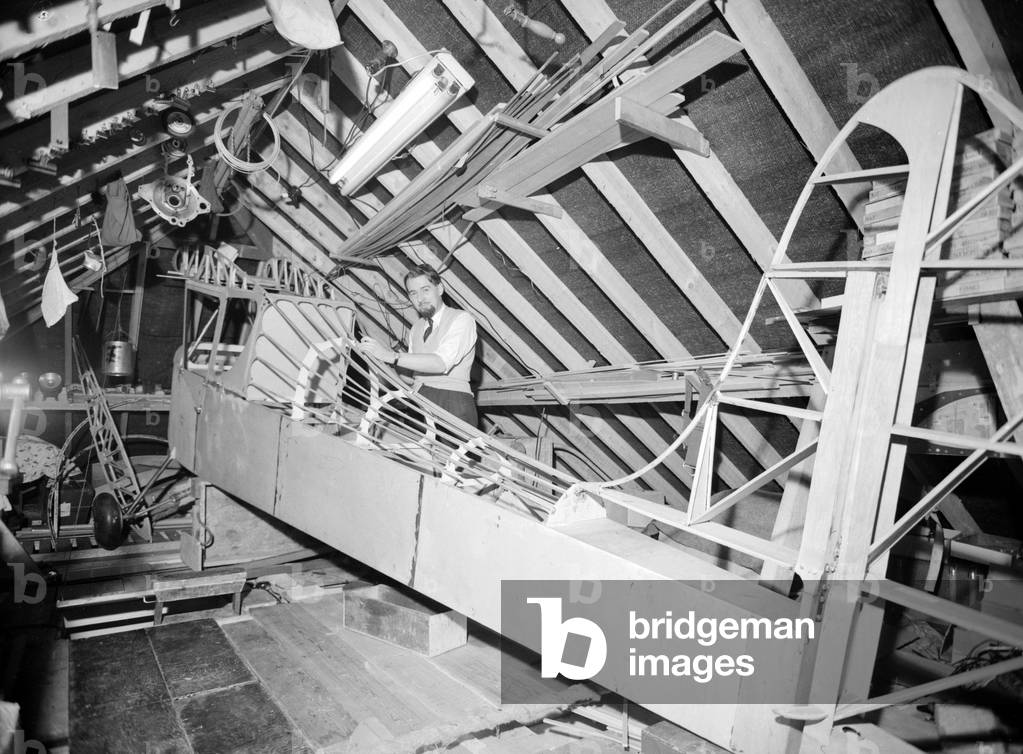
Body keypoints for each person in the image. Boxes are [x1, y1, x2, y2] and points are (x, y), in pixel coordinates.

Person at [360, 264, 479, 428]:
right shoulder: (416, 329)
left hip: (451, 402)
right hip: (419, 403)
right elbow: (409, 378)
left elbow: (440, 363)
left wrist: (390, 356)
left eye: (425, 290)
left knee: (455, 454)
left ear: (440, 289)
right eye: (413, 293)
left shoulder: (462, 319)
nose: (420, 298)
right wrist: (380, 361)